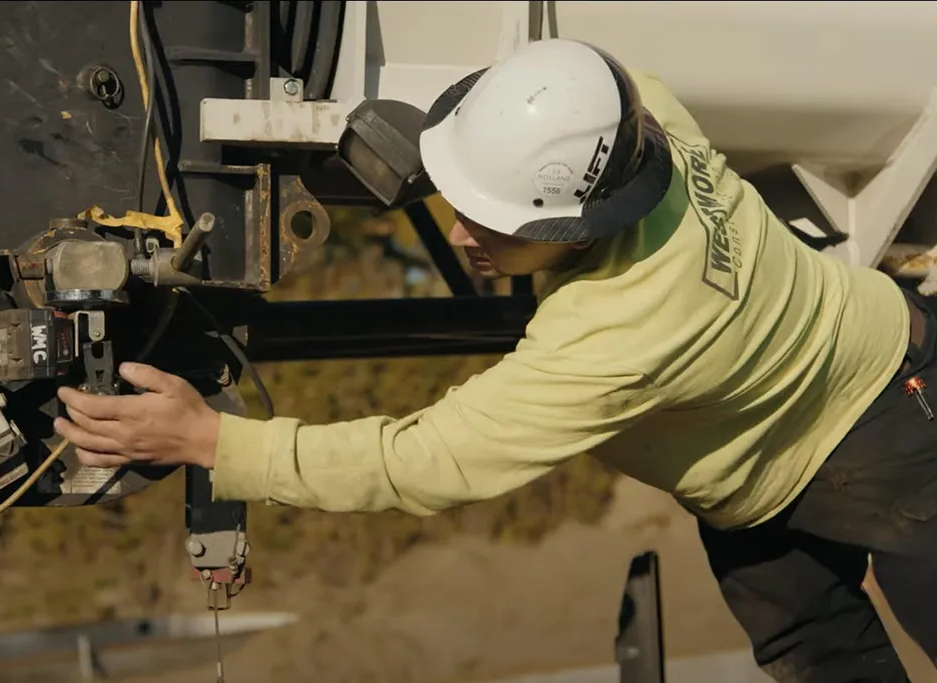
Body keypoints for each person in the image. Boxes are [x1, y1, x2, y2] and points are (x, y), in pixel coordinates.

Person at [54, 38, 933, 682]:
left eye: (493, 222)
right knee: (820, 662)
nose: (461, 230)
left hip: (891, 435)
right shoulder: (637, 107)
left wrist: (216, 444)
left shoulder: (617, 335)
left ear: (575, 224)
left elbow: (424, 460)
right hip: (758, 477)